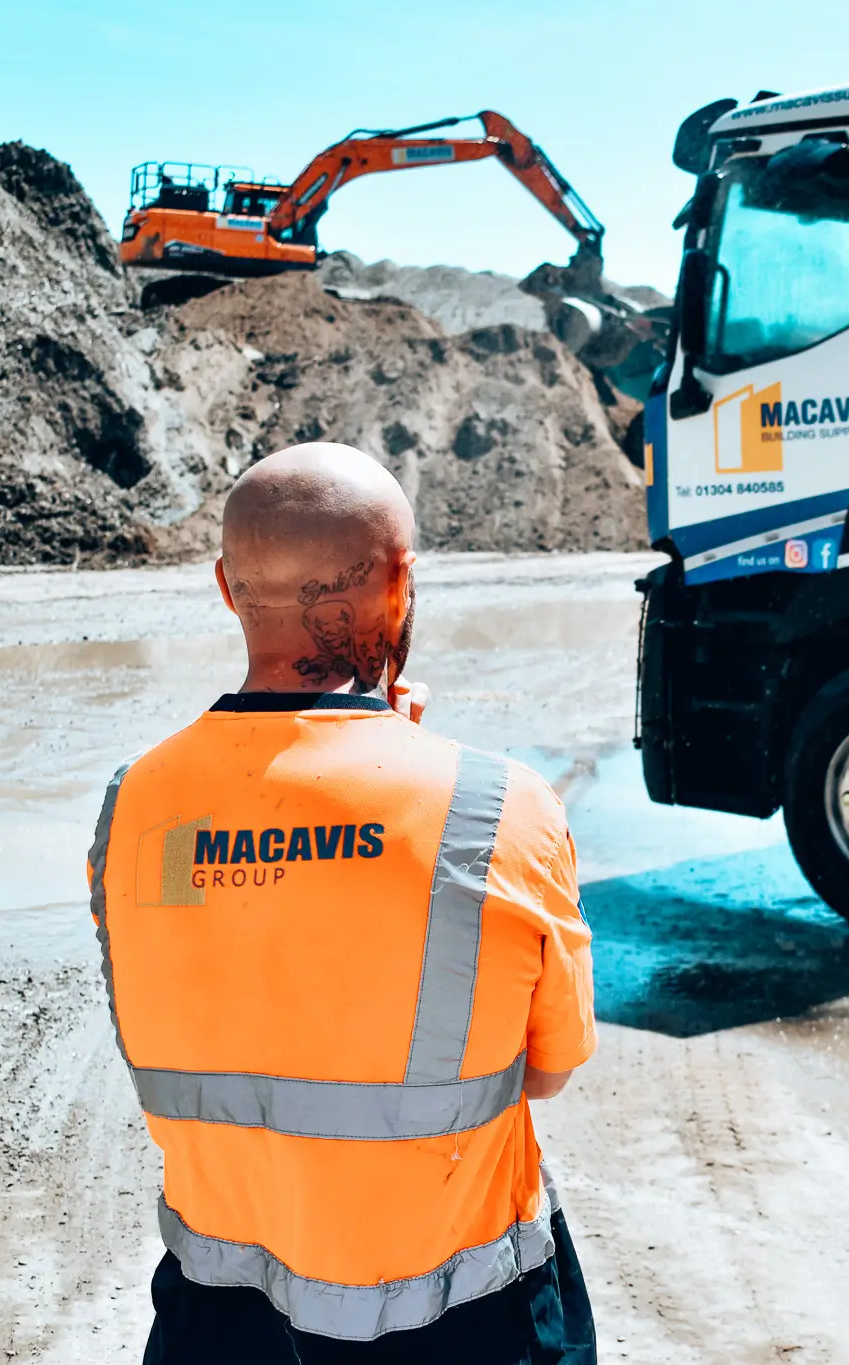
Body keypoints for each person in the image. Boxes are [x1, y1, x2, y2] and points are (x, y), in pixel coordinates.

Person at [85, 442, 598, 1364]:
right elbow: (546, 1070)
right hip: (462, 1320)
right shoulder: (496, 811)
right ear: (400, 584)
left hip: (218, 1315)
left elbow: (241, 900)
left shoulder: (136, 810)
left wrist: (382, 756)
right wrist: (400, 769)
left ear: (226, 588)